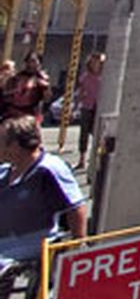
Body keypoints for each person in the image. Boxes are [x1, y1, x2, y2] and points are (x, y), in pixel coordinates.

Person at [0, 116, 87, 276]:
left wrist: (78, 245)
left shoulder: (49, 169)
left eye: (1, 141)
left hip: (29, 242)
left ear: (16, 145)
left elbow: (75, 207)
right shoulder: (5, 171)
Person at [73, 54, 104, 171]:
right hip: (87, 106)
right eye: (93, 62)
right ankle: (82, 158)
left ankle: (97, 157)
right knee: (84, 132)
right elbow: (80, 92)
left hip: (100, 107)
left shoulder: (105, 76)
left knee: (99, 133)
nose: (95, 65)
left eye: (98, 62)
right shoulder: (85, 77)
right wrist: (76, 106)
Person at [3, 57, 50, 125]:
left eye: (34, 63)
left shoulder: (41, 79)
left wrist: (45, 87)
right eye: (29, 62)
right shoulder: (17, 78)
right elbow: (6, 94)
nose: (32, 65)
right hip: (13, 114)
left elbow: (46, 98)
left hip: (30, 115)